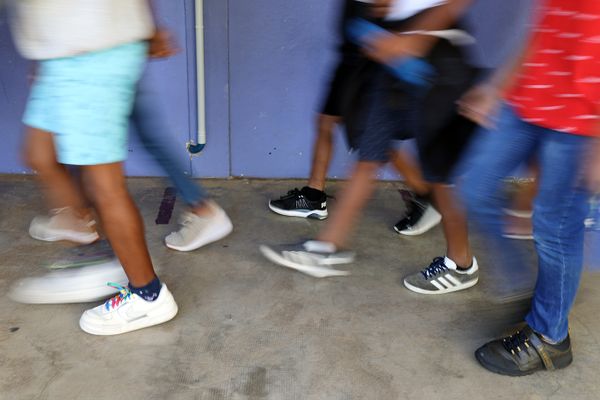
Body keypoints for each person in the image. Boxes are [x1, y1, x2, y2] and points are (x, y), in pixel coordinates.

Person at [261, 0, 480, 282]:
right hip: (390, 66)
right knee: (369, 156)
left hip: (437, 63)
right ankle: (325, 248)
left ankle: (461, 264)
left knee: (439, 177)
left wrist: (416, 36)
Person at [9, 0, 178, 335]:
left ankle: (148, 294)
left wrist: (149, 24)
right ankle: (94, 253)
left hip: (91, 50)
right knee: (39, 154)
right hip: (62, 52)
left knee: (104, 185)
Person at [458, 0, 600, 376]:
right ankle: (526, 288)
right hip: (528, 97)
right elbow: (543, 28)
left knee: (555, 229)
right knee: (473, 187)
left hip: (581, 119)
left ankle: (550, 337)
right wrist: (496, 87)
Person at [267, 0, 441, 236]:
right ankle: (314, 196)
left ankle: (425, 195)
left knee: (374, 140)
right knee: (326, 121)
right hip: (350, 57)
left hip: (366, 61)